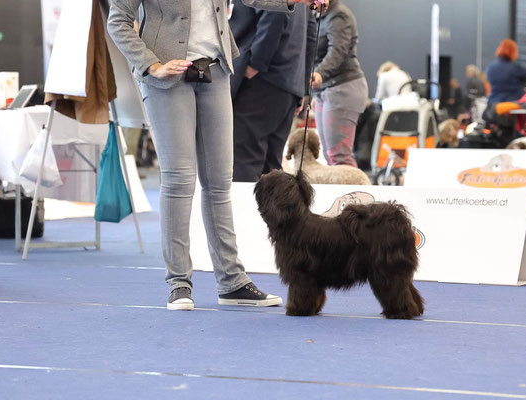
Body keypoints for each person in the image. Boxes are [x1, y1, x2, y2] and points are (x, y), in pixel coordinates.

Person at [107, 0, 326, 311]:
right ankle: (179, 282)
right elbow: (118, 21)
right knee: (179, 180)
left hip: (216, 71)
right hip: (166, 78)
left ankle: (231, 281)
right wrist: (151, 64)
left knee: (220, 183)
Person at [229, 0, 316, 182]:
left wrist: (255, 64)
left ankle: (246, 212)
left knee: (245, 159)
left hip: (262, 80)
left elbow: (273, 14)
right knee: (271, 166)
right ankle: (270, 211)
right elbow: (311, 33)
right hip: (288, 83)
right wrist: (302, 87)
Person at [311, 0, 368, 167]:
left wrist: (320, 73)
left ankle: (358, 193)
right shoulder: (320, 15)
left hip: (343, 88)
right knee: (330, 156)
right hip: (326, 90)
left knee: (339, 157)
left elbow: (338, 50)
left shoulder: (338, 14)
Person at [486, 39, 526, 104]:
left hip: (494, 104)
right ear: (513, 51)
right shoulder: (514, 67)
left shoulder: (490, 68)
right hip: (513, 103)